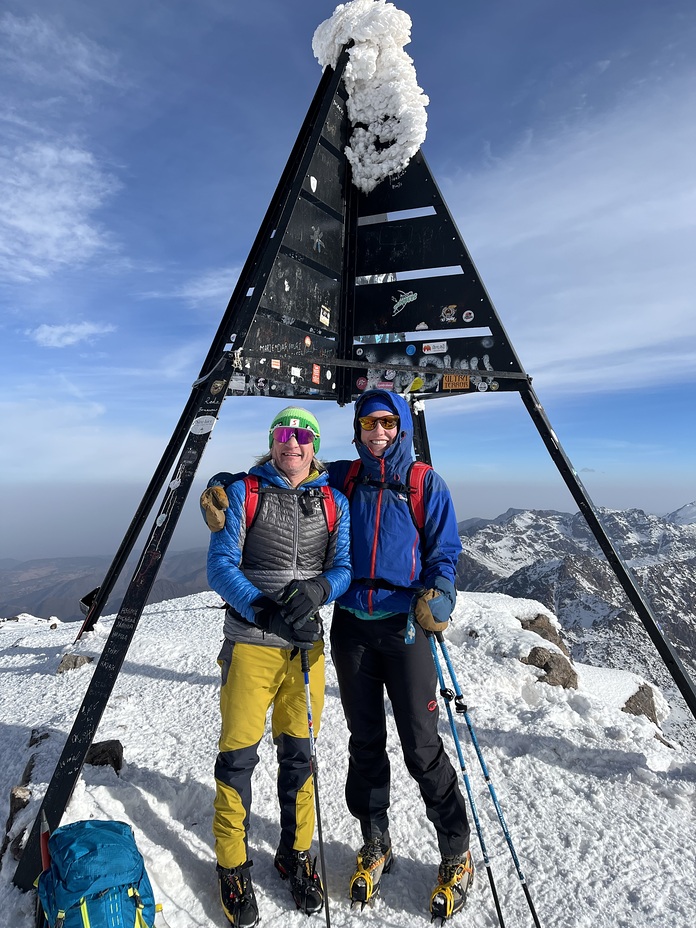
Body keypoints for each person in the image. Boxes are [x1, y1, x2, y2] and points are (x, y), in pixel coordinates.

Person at [327, 389, 473, 922]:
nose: (378, 432)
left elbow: (445, 552)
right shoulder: (343, 476)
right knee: (365, 740)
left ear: (400, 427)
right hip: (350, 625)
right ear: (358, 430)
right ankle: (374, 839)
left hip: (405, 626)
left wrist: (442, 595)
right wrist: (224, 485)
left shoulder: (422, 482)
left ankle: (455, 851)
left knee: (420, 743)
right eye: (369, 423)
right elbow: (281, 471)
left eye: (387, 422)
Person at [203, 405, 351, 928]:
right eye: (284, 434)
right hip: (250, 644)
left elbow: (344, 567)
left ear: (314, 445)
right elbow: (219, 567)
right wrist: (263, 609)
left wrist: (320, 589)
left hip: (305, 652)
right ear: (272, 443)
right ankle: (233, 865)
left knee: (300, 757)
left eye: (303, 434)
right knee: (238, 760)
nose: (293, 442)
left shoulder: (332, 501)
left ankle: (297, 853)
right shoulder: (245, 493)